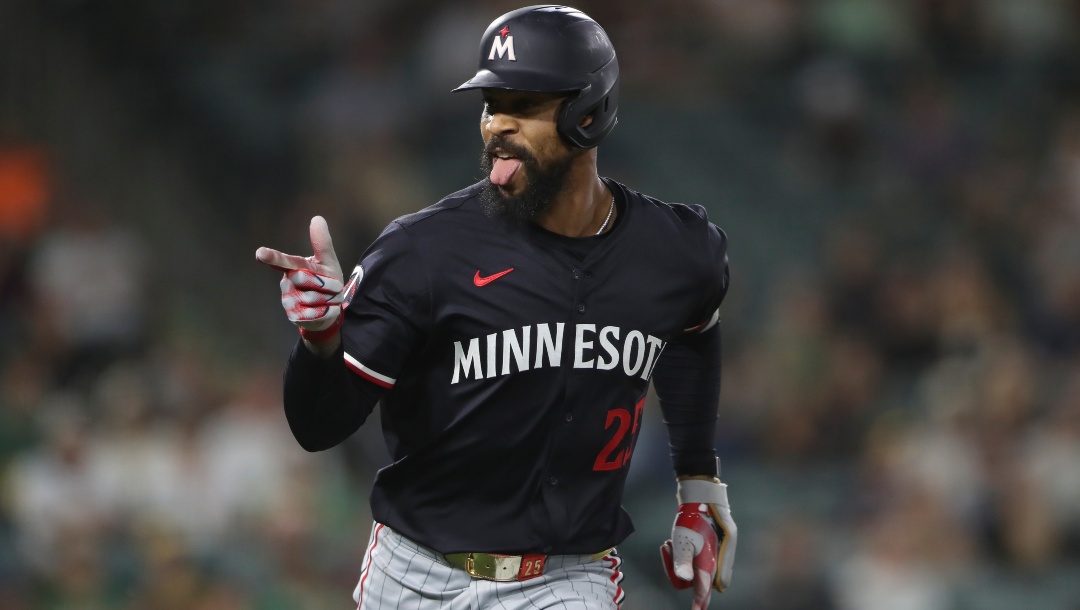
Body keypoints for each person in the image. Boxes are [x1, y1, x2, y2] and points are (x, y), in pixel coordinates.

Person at [255, 5, 736, 609]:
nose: (497, 126)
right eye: (491, 104)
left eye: (524, 105)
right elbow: (317, 427)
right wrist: (321, 342)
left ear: (589, 113)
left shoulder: (677, 252)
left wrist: (699, 488)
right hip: (415, 573)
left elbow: (694, 328)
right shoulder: (423, 252)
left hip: (567, 576)